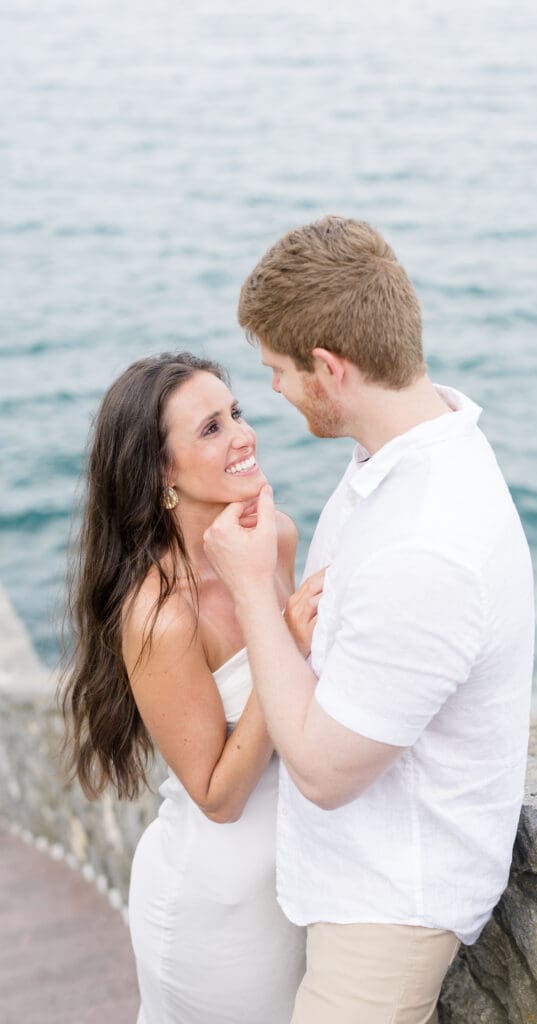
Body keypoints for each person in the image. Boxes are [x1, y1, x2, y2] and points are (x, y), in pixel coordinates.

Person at [203, 216, 535, 1024]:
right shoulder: (403, 455)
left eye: (277, 371)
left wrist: (248, 592)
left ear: (328, 367)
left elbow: (319, 771)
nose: (271, 392)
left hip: (386, 911)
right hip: (354, 886)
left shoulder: (424, 545)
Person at [60, 352, 317, 1024]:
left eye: (235, 413)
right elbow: (217, 795)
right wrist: (283, 642)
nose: (242, 434)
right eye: (209, 428)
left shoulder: (277, 540)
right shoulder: (161, 615)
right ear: (162, 472)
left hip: (301, 883)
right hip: (218, 908)